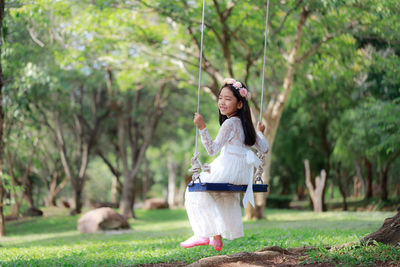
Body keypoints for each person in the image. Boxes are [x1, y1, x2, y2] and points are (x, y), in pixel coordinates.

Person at [181, 78, 269, 251]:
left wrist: (202, 128)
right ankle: (216, 237)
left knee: (193, 190)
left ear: (239, 105)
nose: (222, 102)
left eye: (228, 99)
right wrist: (260, 133)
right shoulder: (247, 126)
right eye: (220, 97)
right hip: (243, 172)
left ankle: (203, 234)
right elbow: (264, 148)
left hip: (228, 168)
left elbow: (212, 149)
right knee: (219, 195)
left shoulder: (230, 122)